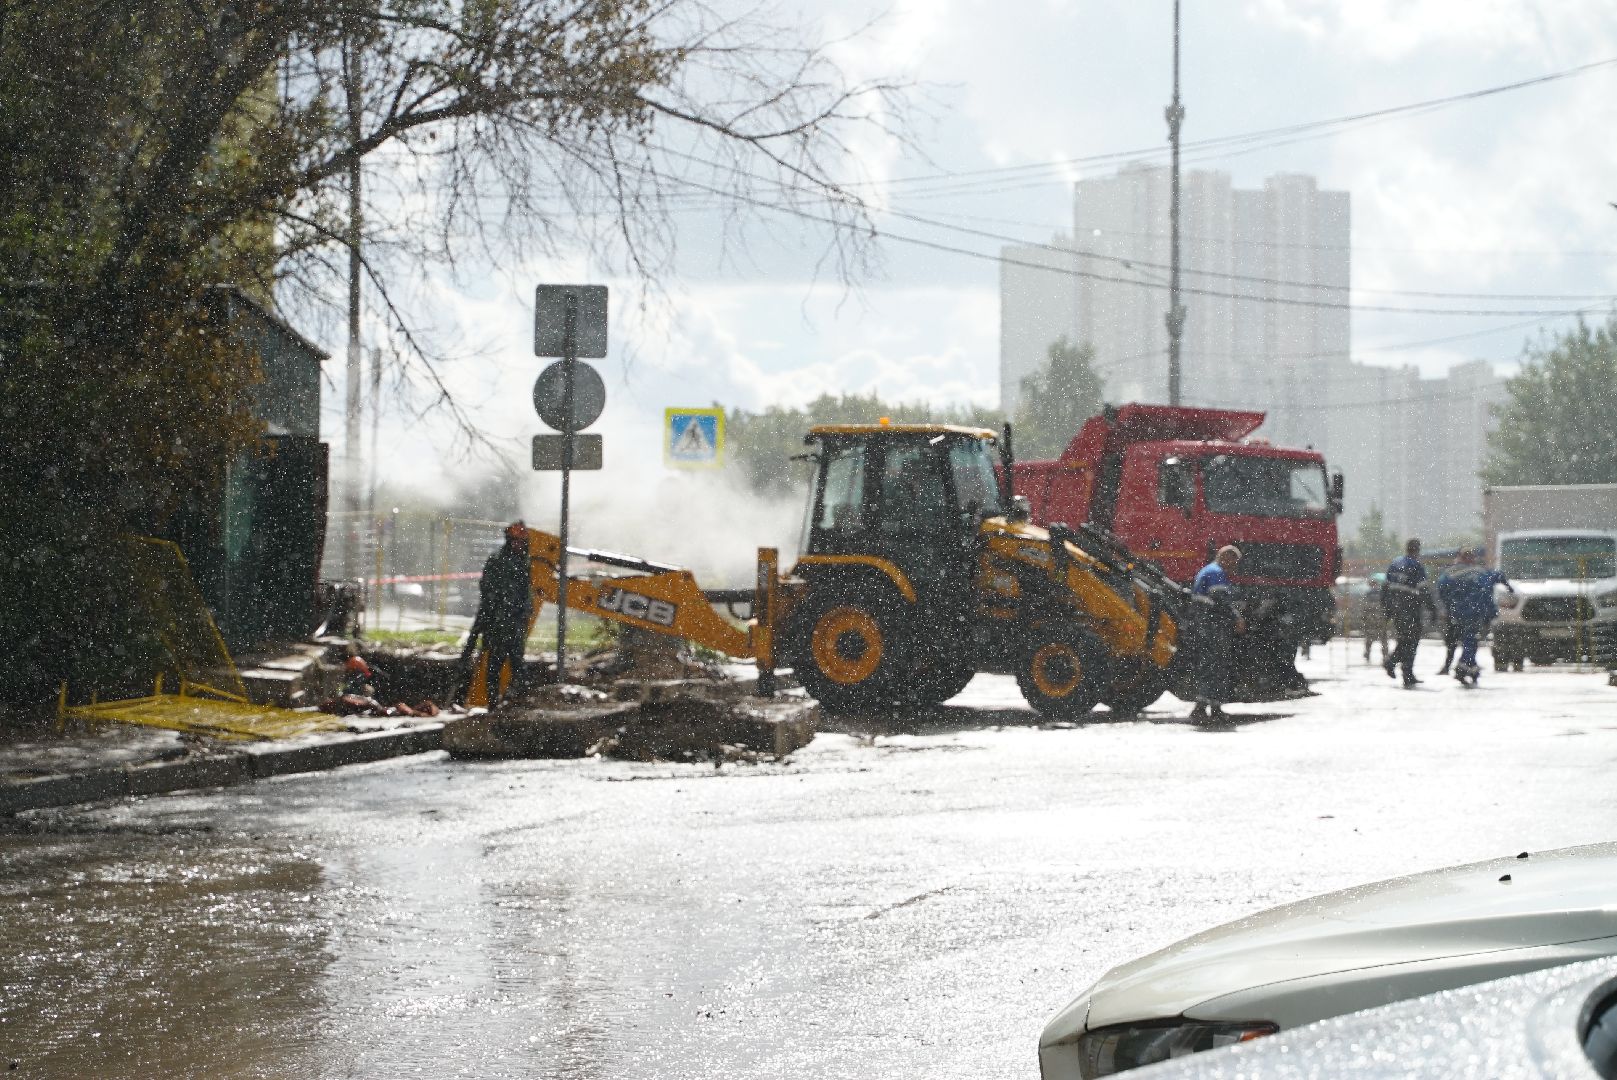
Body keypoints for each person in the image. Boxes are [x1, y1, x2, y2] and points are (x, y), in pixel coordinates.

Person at [462, 522, 535, 703]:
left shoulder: (524, 562)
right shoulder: (497, 560)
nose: (518, 545)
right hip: (498, 624)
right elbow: (487, 591)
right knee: (495, 664)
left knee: (517, 664)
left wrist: (523, 614)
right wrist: (492, 615)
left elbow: (526, 592)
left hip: (515, 623)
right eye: (515, 541)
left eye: (521, 542)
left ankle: (515, 701)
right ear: (509, 541)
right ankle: (494, 703)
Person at [1436, 549, 1515, 686]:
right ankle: (1463, 666)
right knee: (1471, 640)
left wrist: (1449, 607)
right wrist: (1509, 588)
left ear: (1459, 558)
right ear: (1472, 559)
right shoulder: (1480, 572)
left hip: (1458, 613)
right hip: (1476, 612)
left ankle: (1472, 669)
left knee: (1466, 640)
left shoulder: (1450, 573)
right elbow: (1499, 575)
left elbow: (1442, 589)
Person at [1189, 545, 1244, 721]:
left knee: (1211, 665)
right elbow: (1221, 600)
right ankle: (1203, 708)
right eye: (1234, 561)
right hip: (1212, 626)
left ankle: (1213, 707)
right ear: (1225, 557)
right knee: (1215, 665)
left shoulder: (1209, 570)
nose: (1235, 566)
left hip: (1205, 624)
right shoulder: (1216, 573)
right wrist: (1237, 617)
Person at [1381, 538, 1436, 688]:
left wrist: (1386, 608)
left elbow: (1385, 587)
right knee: (1411, 641)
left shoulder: (1395, 563)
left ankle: (1406, 672)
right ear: (1418, 550)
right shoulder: (1416, 566)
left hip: (1396, 608)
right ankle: (1396, 665)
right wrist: (1432, 609)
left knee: (1404, 639)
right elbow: (1423, 589)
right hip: (1410, 609)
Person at [1360, 573, 1390, 665]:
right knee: (1383, 638)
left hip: (1371, 618)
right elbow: (1386, 607)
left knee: (1370, 637)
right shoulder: (1383, 594)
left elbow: (1364, 607)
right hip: (1380, 618)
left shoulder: (1368, 594)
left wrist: (1364, 618)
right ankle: (1385, 655)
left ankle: (1368, 653)